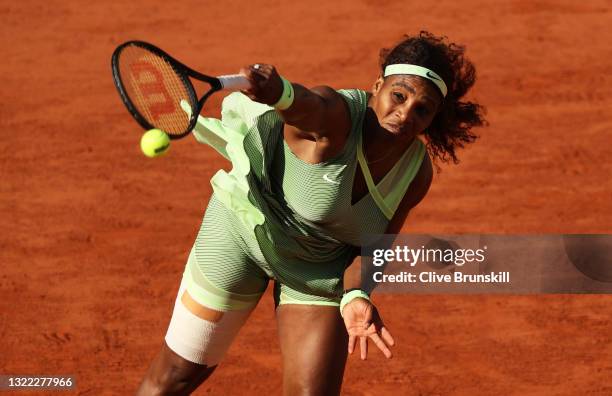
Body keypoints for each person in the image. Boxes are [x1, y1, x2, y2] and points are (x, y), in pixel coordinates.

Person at [137, 31, 486, 395]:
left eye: (422, 110)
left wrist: (356, 296)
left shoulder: (415, 172)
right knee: (174, 377)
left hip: (318, 268)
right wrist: (279, 94)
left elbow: (372, 248)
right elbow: (307, 104)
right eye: (398, 96)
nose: (404, 114)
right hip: (243, 232)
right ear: (378, 85)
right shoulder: (336, 117)